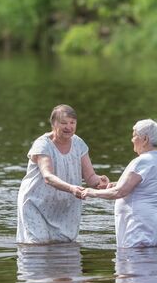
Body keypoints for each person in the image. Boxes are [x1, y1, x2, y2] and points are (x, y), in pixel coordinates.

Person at [16, 104, 109, 244]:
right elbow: (48, 177)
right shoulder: (43, 145)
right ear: (54, 123)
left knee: (64, 245)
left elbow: (90, 177)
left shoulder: (79, 144)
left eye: (72, 123)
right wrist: (72, 188)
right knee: (38, 245)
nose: (69, 127)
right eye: (63, 123)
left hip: (65, 207)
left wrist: (100, 182)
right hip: (36, 203)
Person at [82, 119, 157, 248]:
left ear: (144, 139)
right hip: (152, 221)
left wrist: (91, 192)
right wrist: (115, 184)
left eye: (134, 136)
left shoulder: (142, 161)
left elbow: (120, 192)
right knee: (149, 263)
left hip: (139, 223)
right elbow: (141, 185)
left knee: (134, 263)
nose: (132, 140)